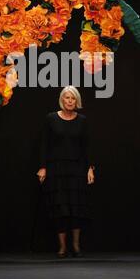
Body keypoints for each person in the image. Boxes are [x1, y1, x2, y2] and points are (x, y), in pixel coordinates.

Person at [36, 86, 95, 258]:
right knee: (60, 208)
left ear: (77, 101)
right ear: (62, 100)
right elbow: (44, 145)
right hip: (56, 169)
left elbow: (87, 147)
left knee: (77, 208)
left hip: (77, 169)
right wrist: (42, 167)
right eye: (67, 98)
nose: (70, 101)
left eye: (73, 98)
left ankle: (76, 246)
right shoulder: (51, 119)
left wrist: (90, 168)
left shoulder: (82, 120)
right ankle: (62, 247)